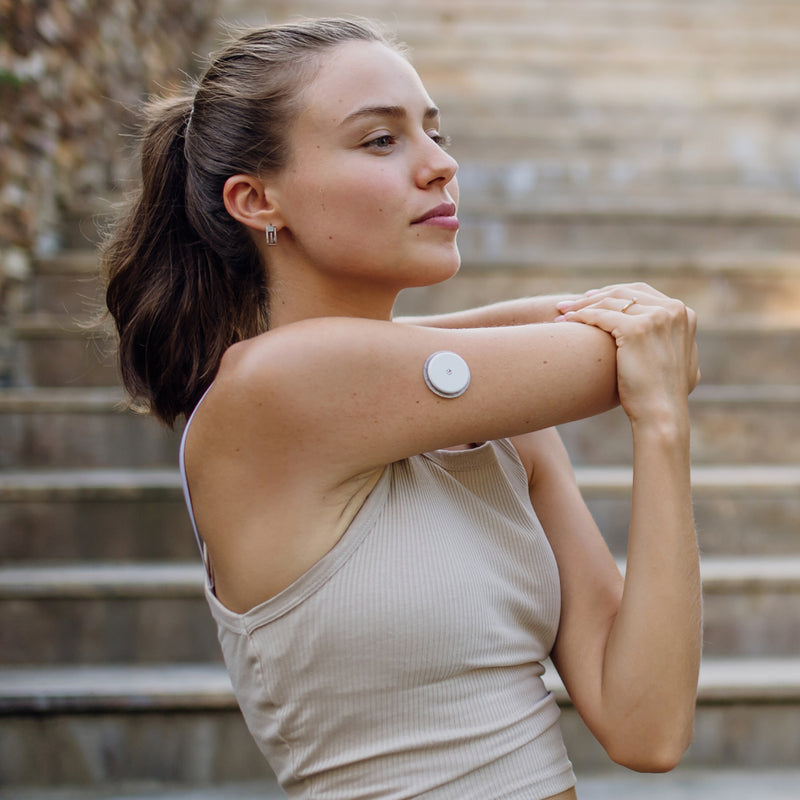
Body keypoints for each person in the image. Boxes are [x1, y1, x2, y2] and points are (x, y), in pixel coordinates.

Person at [101, 17, 702, 800]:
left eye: (434, 131)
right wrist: (652, 366)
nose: (441, 166)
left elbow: (646, 726)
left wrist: (663, 432)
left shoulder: (497, 419)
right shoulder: (271, 388)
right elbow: (623, 345)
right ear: (256, 200)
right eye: (380, 141)